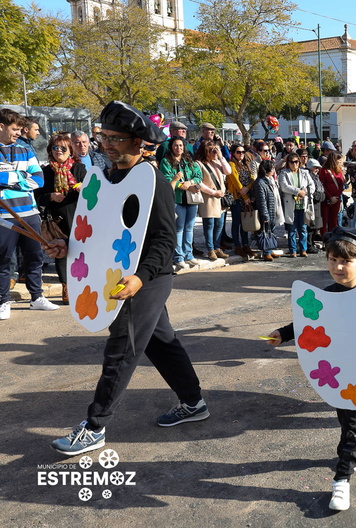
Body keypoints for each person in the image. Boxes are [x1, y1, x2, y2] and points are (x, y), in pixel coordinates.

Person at [46, 101, 208, 455]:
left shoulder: (155, 183)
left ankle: (96, 425)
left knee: (122, 348)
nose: (107, 144)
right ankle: (194, 403)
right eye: (104, 137)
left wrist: (141, 277)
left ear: (139, 143)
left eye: (117, 138)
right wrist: (66, 246)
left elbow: (166, 240)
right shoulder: (102, 180)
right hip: (117, 274)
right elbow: (94, 232)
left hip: (145, 278)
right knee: (160, 341)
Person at [266, 228, 356, 511]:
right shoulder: (327, 295)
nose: (337, 267)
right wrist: (283, 333)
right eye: (332, 260)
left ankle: (341, 479)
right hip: (338, 372)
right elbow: (308, 323)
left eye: (345, 261)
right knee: (347, 421)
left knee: (352, 427)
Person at [0, 108, 60, 321]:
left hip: (30, 212)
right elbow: (27, 179)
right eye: (15, 129)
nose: (19, 133)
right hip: (4, 216)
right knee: (3, 259)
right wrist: (22, 178)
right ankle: (3, 301)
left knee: (35, 256)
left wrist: (9, 178)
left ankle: (37, 297)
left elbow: (39, 179)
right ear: (1, 127)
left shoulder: (25, 149)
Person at [34, 133, 87, 304]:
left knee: (81, 252)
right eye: (55, 148)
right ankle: (66, 287)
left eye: (63, 148)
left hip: (79, 216)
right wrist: (50, 196)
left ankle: (83, 284)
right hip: (57, 218)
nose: (59, 151)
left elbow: (92, 192)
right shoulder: (46, 171)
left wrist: (82, 190)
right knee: (61, 253)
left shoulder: (78, 169)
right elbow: (37, 197)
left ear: (70, 150)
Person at [160, 137, 204, 271]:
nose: (178, 148)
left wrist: (190, 183)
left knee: (189, 228)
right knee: (178, 229)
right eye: (175, 145)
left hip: (191, 199)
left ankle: (188, 254)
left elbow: (198, 175)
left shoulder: (189, 161)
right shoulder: (166, 161)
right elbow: (166, 178)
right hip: (177, 199)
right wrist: (180, 184)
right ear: (171, 147)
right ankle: (178, 257)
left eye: (180, 145)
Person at [195, 140, 231, 260]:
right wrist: (213, 192)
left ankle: (217, 247)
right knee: (209, 224)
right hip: (209, 198)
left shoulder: (217, 162)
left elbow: (228, 171)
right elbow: (198, 182)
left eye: (216, 150)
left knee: (219, 225)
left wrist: (221, 157)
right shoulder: (199, 164)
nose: (215, 153)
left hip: (220, 198)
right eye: (212, 151)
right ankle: (210, 249)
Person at [279, 152, 314, 257]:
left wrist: (305, 192)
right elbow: (284, 187)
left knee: (303, 228)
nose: (294, 164)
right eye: (291, 162)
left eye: (296, 162)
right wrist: (298, 191)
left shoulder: (305, 172)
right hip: (291, 204)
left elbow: (312, 186)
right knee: (292, 229)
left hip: (302, 204)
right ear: (288, 163)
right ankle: (293, 250)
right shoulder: (284, 173)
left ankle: (303, 249)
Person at [227, 143, 257, 259]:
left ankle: (246, 244)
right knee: (236, 223)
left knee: (245, 223)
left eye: (243, 152)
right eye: (238, 152)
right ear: (233, 153)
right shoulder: (231, 164)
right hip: (237, 198)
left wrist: (248, 188)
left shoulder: (246, 164)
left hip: (247, 198)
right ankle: (237, 245)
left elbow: (253, 179)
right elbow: (235, 181)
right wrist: (245, 197)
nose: (241, 154)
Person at [252, 159, 280, 261]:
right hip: (266, 211)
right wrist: (265, 215)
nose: (274, 170)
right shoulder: (260, 183)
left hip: (272, 209)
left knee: (270, 231)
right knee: (264, 232)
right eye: (272, 168)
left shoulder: (268, 180)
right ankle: (266, 252)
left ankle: (270, 249)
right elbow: (261, 201)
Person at [319, 151, 346, 235]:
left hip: (336, 198)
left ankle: (333, 237)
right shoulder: (323, 170)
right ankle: (324, 238)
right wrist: (330, 197)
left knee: (334, 220)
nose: (340, 163)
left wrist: (337, 196)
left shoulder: (339, 170)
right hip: (326, 199)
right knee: (324, 220)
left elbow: (341, 185)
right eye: (338, 161)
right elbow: (322, 185)